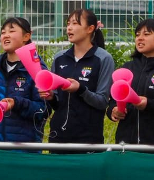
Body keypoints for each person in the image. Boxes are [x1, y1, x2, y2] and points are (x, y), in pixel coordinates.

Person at [0, 16, 48, 145]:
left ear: (26, 36)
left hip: (25, 149)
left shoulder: (38, 70)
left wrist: (16, 103)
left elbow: (42, 111)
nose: (5, 35)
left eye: (11, 31)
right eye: (2, 32)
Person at [44, 9, 115, 145]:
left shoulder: (103, 58)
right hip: (58, 136)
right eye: (68, 23)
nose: (69, 28)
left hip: (88, 138)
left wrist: (80, 89)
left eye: (75, 23)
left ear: (90, 28)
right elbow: (58, 104)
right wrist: (51, 97)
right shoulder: (60, 58)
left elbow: (102, 101)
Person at [108, 18, 154, 145]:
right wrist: (113, 111)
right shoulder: (127, 67)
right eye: (137, 35)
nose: (140, 38)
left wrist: (149, 105)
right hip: (124, 144)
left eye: (146, 34)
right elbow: (112, 100)